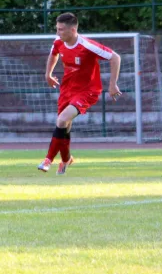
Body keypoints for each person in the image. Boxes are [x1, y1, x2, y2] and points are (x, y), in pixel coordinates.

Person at [38, 12, 121, 174]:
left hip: (87, 91)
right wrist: (48, 74)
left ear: (73, 29)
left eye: (61, 29)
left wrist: (112, 84)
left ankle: (48, 160)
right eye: (57, 29)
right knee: (64, 125)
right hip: (67, 89)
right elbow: (53, 54)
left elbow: (115, 58)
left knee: (61, 120)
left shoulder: (87, 46)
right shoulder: (58, 41)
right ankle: (66, 159)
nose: (57, 33)